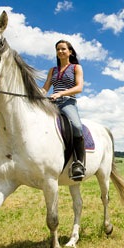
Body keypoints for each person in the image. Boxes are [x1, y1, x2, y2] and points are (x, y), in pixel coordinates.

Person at [42, 40, 85, 181]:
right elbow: (45, 88)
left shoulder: (76, 68)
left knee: (77, 127)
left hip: (67, 102)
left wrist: (61, 93)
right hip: (52, 103)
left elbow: (79, 88)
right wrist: (37, 94)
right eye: (58, 49)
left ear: (70, 52)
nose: (60, 51)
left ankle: (78, 163)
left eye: (63, 49)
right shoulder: (52, 70)